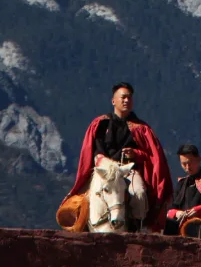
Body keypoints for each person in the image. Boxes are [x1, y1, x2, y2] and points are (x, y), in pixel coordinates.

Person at [61, 82, 172, 232]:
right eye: (123, 97)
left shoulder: (141, 129)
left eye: (130, 98)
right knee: (83, 200)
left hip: (128, 170)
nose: (127, 100)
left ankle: (135, 229)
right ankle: (83, 228)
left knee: (138, 193)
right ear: (113, 100)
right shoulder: (100, 124)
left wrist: (136, 154)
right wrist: (105, 163)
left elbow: (153, 157)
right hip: (103, 169)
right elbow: (95, 151)